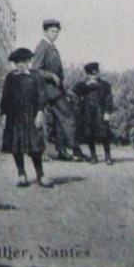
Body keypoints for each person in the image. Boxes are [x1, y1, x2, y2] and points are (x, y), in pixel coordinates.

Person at [32, 19, 89, 161]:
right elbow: (36, 70)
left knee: (59, 121)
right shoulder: (43, 46)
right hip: (48, 90)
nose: (55, 34)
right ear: (45, 31)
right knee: (68, 116)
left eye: (57, 32)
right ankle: (75, 150)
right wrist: (51, 75)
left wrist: (63, 89)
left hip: (55, 90)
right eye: (52, 31)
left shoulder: (50, 46)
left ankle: (62, 151)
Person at [0, 47, 52, 187]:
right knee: (16, 145)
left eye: (23, 61)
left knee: (35, 146)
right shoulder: (11, 77)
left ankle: (40, 175)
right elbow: (5, 97)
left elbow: (42, 95)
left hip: (31, 115)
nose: (21, 64)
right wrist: (4, 114)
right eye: (17, 62)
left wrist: (40, 112)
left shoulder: (35, 76)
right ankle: (21, 174)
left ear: (29, 61)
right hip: (14, 116)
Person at [72, 62, 115, 165]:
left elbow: (109, 99)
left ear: (98, 73)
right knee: (89, 134)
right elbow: (74, 92)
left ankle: (108, 156)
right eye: (91, 74)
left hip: (100, 112)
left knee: (104, 134)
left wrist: (108, 112)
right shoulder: (82, 86)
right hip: (87, 113)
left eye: (95, 73)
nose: (93, 76)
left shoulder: (104, 85)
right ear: (87, 74)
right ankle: (93, 156)